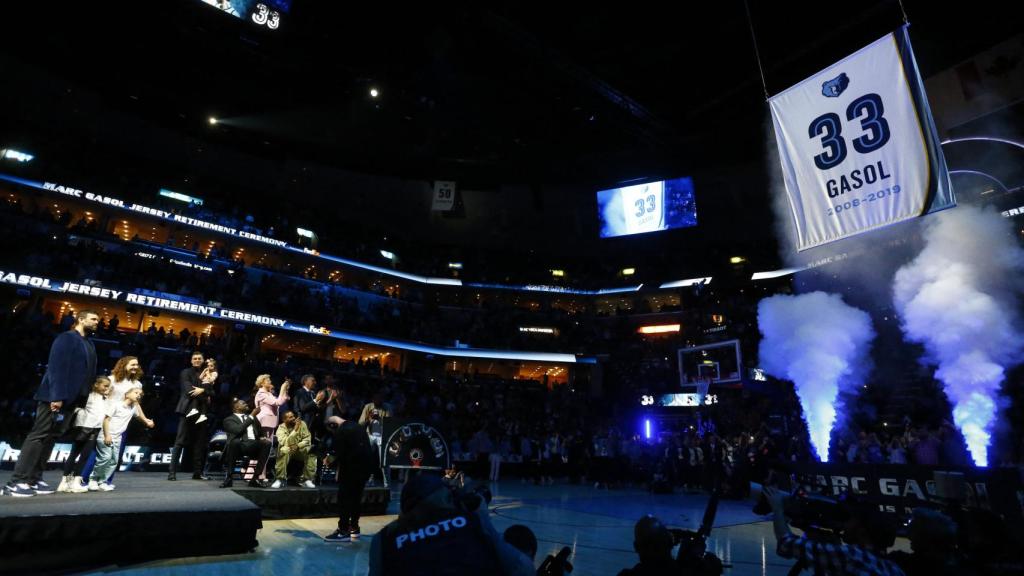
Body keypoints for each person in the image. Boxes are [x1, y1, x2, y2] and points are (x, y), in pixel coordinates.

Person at [4, 309, 98, 498]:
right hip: (55, 397)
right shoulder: (67, 338)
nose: (97, 322)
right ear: (80, 319)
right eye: (93, 319)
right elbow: (57, 368)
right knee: (39, 435)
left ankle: (34, 479)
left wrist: (80, 400)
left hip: (71, 400)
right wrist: (57, 396)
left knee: (51, 438)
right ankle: (16, 481)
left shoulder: (88, 343)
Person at [365, 473, 535, 575]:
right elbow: (524, 569)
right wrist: (483, 519)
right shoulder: (471, 521)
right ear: (444, 499)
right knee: (519, 539)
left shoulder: (384, 539)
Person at [763, 486, 905, 576]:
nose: (844, 525)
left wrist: (778, 508)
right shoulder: (895, 569)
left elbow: (786, 543)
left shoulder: (850, 556)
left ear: (862, 531)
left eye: (850, 520)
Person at [324, 415, 378, 542]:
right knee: (356, 498)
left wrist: (327, 460)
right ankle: (354, 527)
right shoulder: (358, 427)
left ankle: (343, 531)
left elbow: (336, 454)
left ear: (333, 425)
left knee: (344, 499)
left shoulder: (342, 430)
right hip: (364, 469)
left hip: (351, 470)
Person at [88, 387, 154, 491]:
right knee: (105, 458)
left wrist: (147, 421)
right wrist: (107, 435)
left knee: (114, 461)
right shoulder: (116, 405)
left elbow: (139, 416)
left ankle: (102, 482)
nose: (138, 395)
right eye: (136, 392)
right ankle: (93, 480)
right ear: (127, 394)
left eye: (140, 394)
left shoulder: (133, 408)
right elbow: (106, 420)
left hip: (118, 437)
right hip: (106, 435)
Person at [58, 376, 110, 494]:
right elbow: (75, 409)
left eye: (108, 386)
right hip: (83, 427)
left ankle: (76, 481)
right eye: (105, 386)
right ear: (96, 385)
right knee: (74, 454)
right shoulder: (87, 396)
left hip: (95, 429)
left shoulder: (104, 398)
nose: (107, 388)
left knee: (85, 456)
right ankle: (64, 482)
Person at [168, 351, 211, 481]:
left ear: (203, 360)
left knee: (200, 443)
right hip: (187, 410)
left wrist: (203, 390)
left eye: (199, 358)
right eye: (195, 358)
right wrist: (203, 388)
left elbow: (212, 392)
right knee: (180, 441)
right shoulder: (186, 372)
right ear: (191, 361)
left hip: (202, 411)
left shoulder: (208, 374)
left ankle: (197, 473)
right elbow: (190, 391)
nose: (197, 360)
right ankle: (172, 473)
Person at [219, 399, 272, 489]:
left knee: (267, 443)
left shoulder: (253, 418)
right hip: (239, 447)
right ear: (236, 407)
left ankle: (255, 479)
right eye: (243, 403)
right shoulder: (228, 420)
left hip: (253, 445)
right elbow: (238, 430)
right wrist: (251, 416)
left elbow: (260, 432)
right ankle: (229, 478)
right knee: (234, 442)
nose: (246, 404)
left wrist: (262, 437)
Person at [253, 374, 290, 482]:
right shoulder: (261, 394)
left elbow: (282, 400)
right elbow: (277, 402)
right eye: (268, 380)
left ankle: (261, 474)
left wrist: (285, 389)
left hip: (270, 422)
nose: (270, 382)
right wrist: (282, 388)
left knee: (267, 450)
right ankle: (260, 475)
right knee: (264, 449)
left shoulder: (268, 393)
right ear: (262, 383)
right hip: (265, 422)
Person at [272, 411, 317, 489]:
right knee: (284, 450)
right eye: (290, 417)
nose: (293, 418)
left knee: (311, 451)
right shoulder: (281, 428)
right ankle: (280, 479)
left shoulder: (302, 424)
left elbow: (307, 439)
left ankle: (307, 479)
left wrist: (298, 445)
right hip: (288, 450)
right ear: (284, 420)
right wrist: (295, 430)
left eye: (293, 416)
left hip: (299, 450)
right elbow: (286, 442)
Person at [358, 392, 391, 486]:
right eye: (376, 399)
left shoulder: (387, 407)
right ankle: (369, 480)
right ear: (373, 400)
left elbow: (390, 423)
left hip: (383, 436)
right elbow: (360, 423)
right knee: (368, 458)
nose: (378, 401)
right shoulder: (368, 407)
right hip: (370, 435)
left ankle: (386, 483)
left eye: (380, 399)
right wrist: (369, 419)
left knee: (384, 460)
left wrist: (379, 419)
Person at [184, 358, 217, 424]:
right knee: (198, 397)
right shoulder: (206, 371)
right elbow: (200, 378)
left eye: (211, 366)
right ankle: (198, 411)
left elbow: (211, 380)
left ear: (214, 367)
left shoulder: (214, 373)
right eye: (208, 365)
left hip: (207, 386)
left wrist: (208, 373)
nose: (209, 367)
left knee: (199, 397)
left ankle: (200, 412)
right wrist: (204, 371)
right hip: (202, 385)